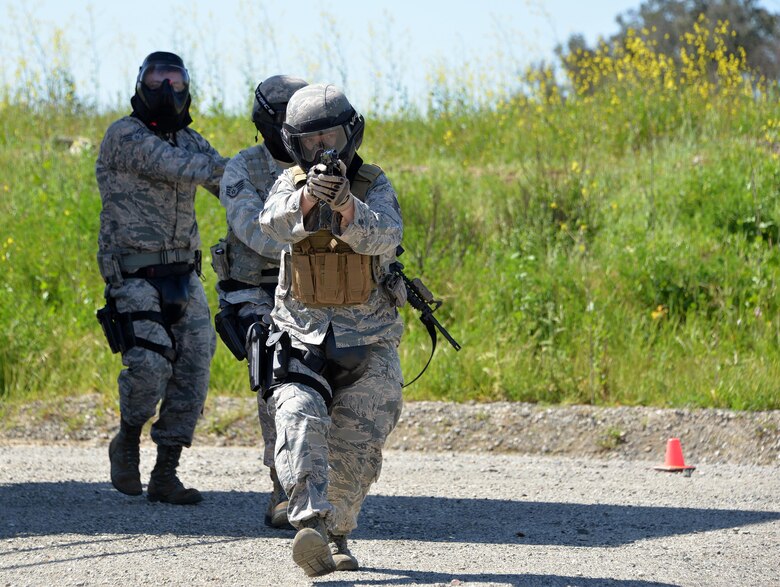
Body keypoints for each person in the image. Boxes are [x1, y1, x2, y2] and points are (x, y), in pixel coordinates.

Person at [259, 83, 406, 577]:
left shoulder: (374, 183)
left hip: (367, 340)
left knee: (359, 445)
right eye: (310, 142)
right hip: (301, 335)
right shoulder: (288, 182)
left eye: (331, 137)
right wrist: (306, 201)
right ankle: (311, 528)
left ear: (351, 134)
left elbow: (387, 235)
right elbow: (271, 226)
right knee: (299, 419)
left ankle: (339, 530)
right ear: (294, 145)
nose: (323, 150)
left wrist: (346, 208)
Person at [95, 51, 228, 505]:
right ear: (140, 84)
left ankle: (166, 473)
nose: (166, 89)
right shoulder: (125, 136)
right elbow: (182, 168)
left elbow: (229, 188)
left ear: (187, 85)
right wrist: (237, 170)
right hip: (133, 274)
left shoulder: (192, 141)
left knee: (193, 372)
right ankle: (127, 437)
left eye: (175, 79)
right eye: (157, 79)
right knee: (149, 366)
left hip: (183, 276)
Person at [210, 74, 308, 528]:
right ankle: (281, 486)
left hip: (310, 288)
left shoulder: (322, 167)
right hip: (254, 292)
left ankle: (322, 481)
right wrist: (318, 233)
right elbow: (254, 232)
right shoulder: (243, 168)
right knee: (276, 367)